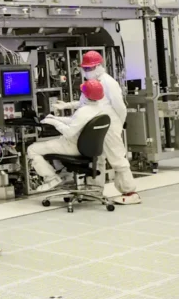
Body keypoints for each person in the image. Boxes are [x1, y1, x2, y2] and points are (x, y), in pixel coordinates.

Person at [47, 51, 140, 204]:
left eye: (90, 68)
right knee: (97, 158)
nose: (87, 72)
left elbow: (120, 107)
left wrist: (118, 125)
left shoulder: (109, 82)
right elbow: (86, 102)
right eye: (85, 68)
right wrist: (67, 105)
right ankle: (94, 190)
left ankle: (130, 192)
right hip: (95, 125)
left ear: (99, 66)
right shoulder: (91, 84)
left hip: (109, 125)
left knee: (117, 158)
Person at [31, 79, 108, 192]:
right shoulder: (99, 109)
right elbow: (74, 121)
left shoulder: (84, 111)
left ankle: (52, 178)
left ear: (85, 96)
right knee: (53, 146)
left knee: (32, 149)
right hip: (89, 149)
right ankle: (65, 176)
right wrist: (56, 118)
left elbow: (69, 132)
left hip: (73, 147)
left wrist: (54, 122)